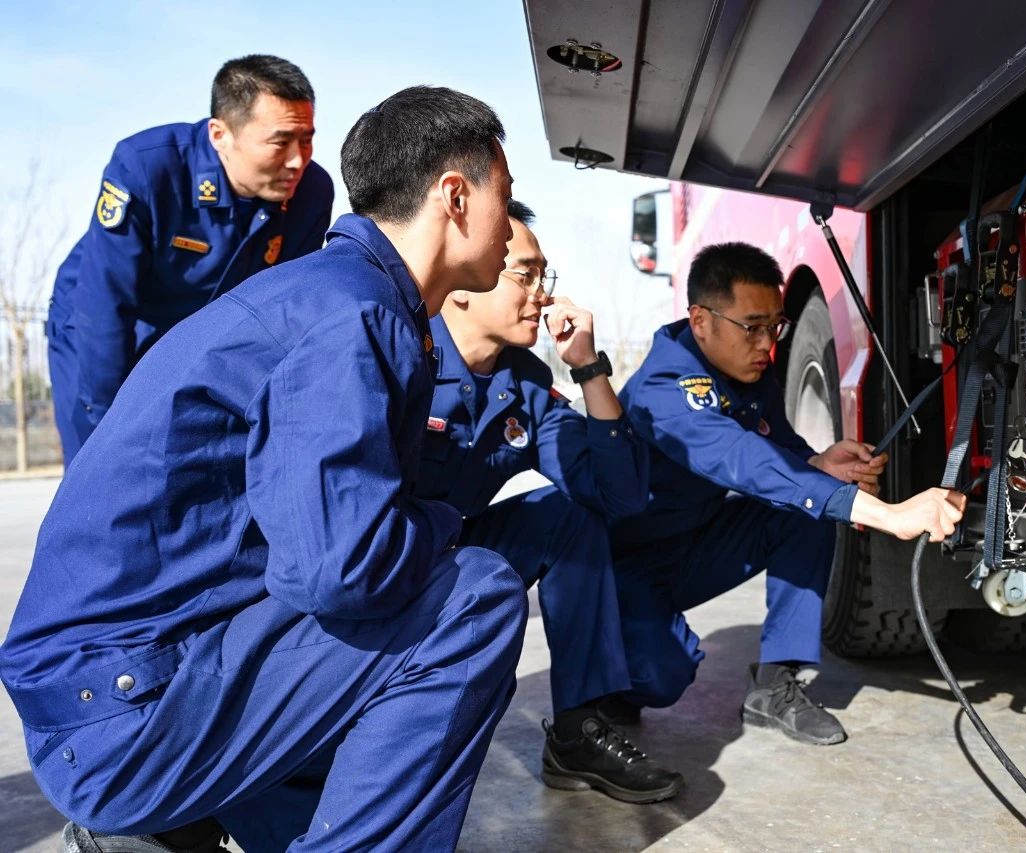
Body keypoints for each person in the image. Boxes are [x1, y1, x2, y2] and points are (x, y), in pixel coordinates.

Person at [2, 85, 526, 852]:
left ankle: (186, 823)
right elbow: (341, 570)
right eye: (505, 199)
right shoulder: (353, 313)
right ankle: (171, 812)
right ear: (454, 194)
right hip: (120, 717)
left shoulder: (331, 295)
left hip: (107, 696)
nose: (512, 231)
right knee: (475, 593)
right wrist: (445, 524)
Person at [609, 242, 966, 746]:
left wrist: (817, 463)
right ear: (701, 320)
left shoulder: (751, 367)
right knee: (658, 680)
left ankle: (774, 687)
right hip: (627, 570)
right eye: (752, 327)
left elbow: (778, 448)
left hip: (695, 547)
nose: (766, 343)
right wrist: (889, 515)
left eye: (776, 326)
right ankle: (605, 669)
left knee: (803, 512)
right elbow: (744, 460)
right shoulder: (665, 389)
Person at [419, 199, 682, 803]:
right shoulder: (401, 350)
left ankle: (578, 731)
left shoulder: (525, 387)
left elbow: (617, 496)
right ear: (463, 283)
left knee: (568, 519)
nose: (542, 294)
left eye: (546, 277)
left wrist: (589, 369)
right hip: (368, 567)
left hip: (450, 555)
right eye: (524, 275)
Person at [47, 54, 334, 463]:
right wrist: (108, 432)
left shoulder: (312, 192)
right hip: (103, 329)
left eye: (306, 139)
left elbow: (285, 318)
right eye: (280, 141)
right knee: (106, 472)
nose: (297, 160)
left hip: (197, 337)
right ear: (220, 135)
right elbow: (104, 305)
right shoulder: (148, 169)